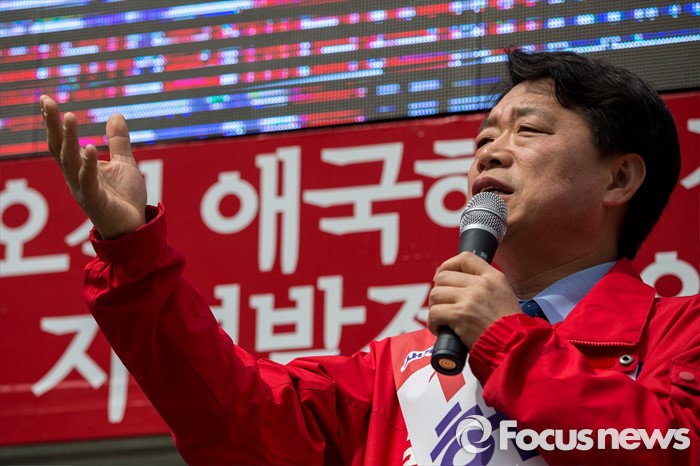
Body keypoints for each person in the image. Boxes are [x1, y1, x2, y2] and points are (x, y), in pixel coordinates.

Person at [41, 49, 699, 465]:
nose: (490, 154)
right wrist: (132, 250)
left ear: (619, 179)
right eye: (483, 139)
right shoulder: (394, 371)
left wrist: (506, 339)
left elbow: (671, 447)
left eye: (528, 130)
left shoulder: (681, 333)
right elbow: (235, 416)